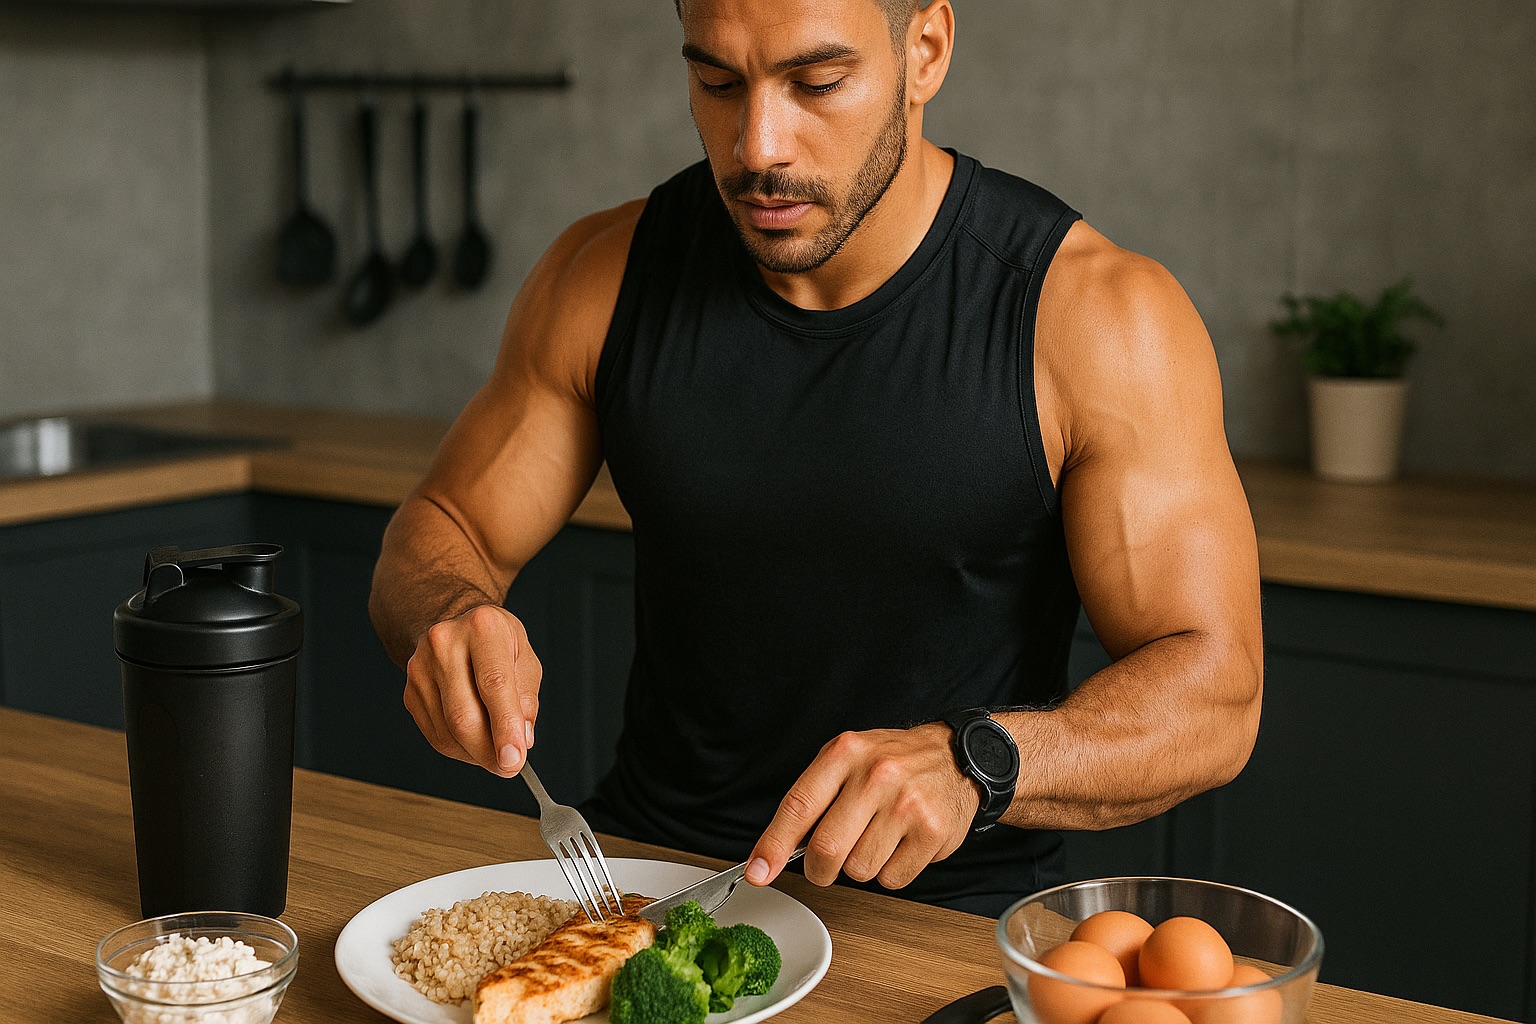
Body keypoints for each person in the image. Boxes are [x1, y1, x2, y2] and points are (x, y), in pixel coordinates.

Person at [369, 0, 1263, 917]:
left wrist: (977, 762)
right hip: (643, 888)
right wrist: (452, 612)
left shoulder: (1094, 318)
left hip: (940, 920)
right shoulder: (603, 276)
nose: (759, 145)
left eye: (817, 83)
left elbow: (1216, 694)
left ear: (925, 51)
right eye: (717, 82)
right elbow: (445, 528)